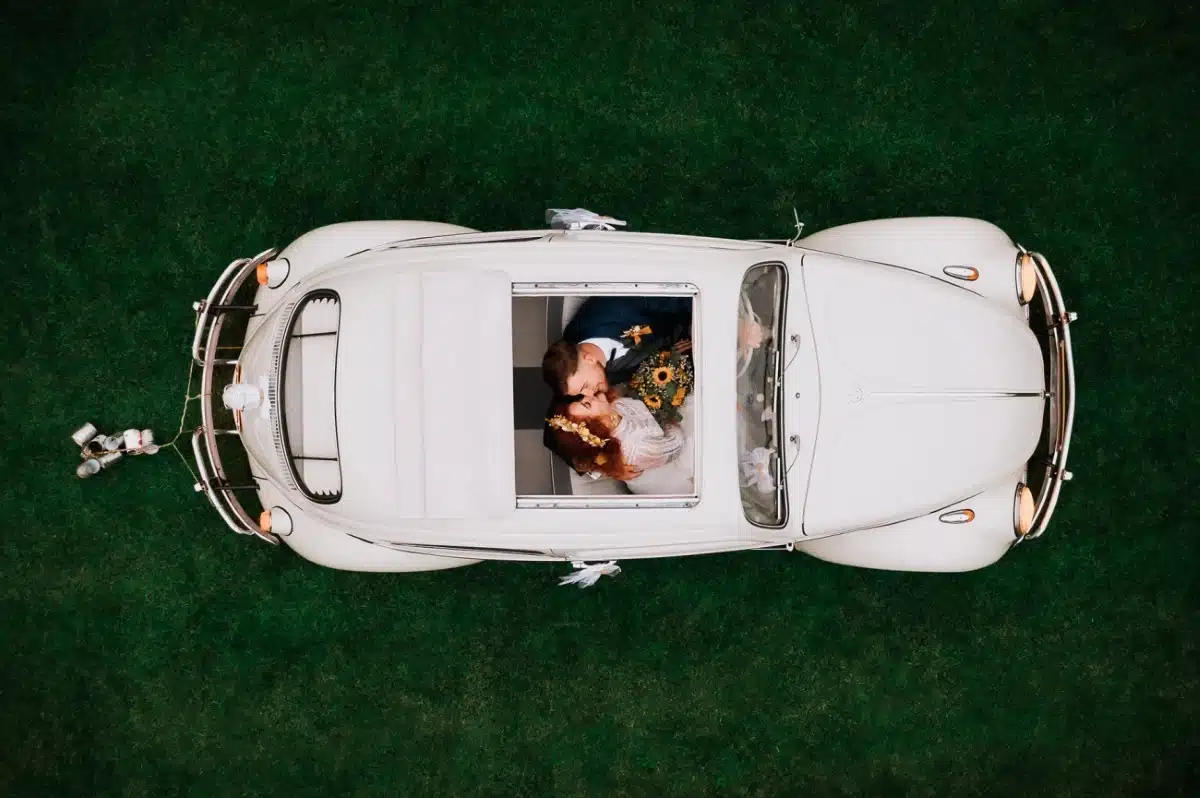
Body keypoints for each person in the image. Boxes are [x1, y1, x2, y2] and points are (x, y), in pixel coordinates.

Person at [543, 389, 694, 494]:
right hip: (677, 466)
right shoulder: (633, 450)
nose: (587, 395)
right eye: (586, 404)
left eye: (582, 398)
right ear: (598, 427)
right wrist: (670, 417)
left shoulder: (613, 406)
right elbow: (677, 443)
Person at [541, 296, 692, 398]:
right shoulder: (602, 377)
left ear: (589, 358)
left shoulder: (608, 310)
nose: (589, 394)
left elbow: (673, 298)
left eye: (585, 386)